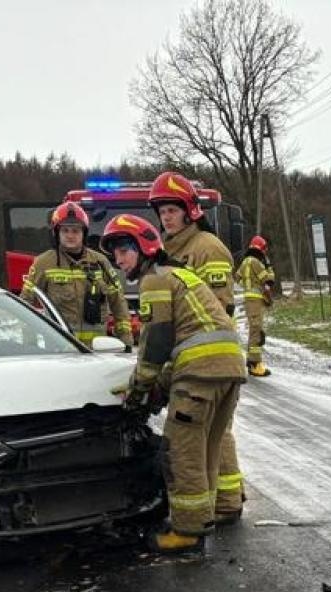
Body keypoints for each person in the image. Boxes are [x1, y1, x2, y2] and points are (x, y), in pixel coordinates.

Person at [101, 212, 245, 555]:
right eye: (115, 254)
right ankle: (209, 513)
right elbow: (183, 345)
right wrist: (161, 387)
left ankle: (188, 531)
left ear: (144, 246)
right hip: (227, 369)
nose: (118, 261)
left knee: (181, 450)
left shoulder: (154, 281)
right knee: (208, 446)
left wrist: (138, 391)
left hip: (200, 372)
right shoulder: (179, 274)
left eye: (124, 250)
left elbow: (156, 344)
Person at [148, 170, 246, 524]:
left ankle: (225, 503)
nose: (166, 217)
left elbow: (221, 308)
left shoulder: (207, 248)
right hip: (189, 354)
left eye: (172, 210)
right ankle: (223, 501)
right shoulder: (170, 248)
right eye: (161, 212)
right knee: (210, 434)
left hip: (207, 357)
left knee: (214, 434)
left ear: (190, 211)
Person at [20, 201, 133, 349]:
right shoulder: (44, 263)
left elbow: (118, 302)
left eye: (75, 231)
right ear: (56, 233)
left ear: (84, 233)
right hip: (60, 349)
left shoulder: (101, 262)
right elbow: (25, 306)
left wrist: (126, 342)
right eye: (65, 231)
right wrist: (29, 346)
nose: (70, 236)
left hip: (97, 350)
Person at [234, 235, 277, 377]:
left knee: (255, 329)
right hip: (255, 299)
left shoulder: (246, 261)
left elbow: (237, 277)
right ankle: (254, 364)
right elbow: (268, 279)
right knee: (256, 331)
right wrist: (269, 267)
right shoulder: (255, 262)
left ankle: (253, 362)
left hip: (250, 299)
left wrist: (248, 286)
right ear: (261, 249)